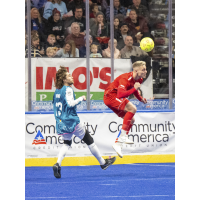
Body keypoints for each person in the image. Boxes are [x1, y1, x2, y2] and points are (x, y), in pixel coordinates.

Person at [52, 67, 116, 178]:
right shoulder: (68, 89)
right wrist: (81, 98)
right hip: (72, 121)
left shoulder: (57, 91)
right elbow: (71, 104)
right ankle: (103, 163)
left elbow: (55, 105)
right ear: (64, 79)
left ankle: (58, 164)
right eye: (69, 76)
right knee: (89, 141)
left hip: (61, 122)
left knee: (66, 143)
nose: (72, 77)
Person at [103, 61, 147, 158]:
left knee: (132, 119)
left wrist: (141, 99)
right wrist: (134, 89)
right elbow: (120, 94)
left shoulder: (139, 79)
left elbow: (134, 91)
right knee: (132, 109)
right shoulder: (125, 78)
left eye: (145, 69)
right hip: (110, 96)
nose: (146, 71)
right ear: (136, 70)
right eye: (143, 70)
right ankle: (123, 137)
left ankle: (118, 144)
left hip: (115, 98)